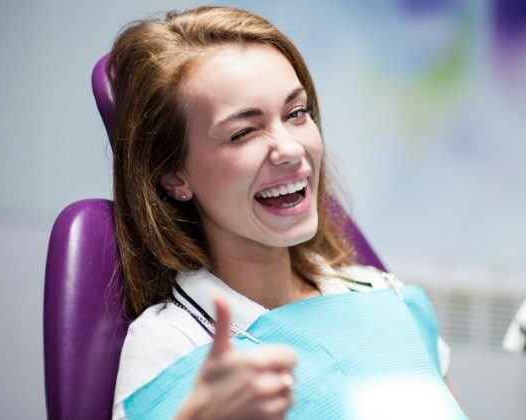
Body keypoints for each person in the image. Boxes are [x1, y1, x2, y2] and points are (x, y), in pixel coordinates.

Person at [108, 6, 464, 420]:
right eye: (242, 132)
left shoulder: (383, 297)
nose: (292, 150)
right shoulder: (172, 344)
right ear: (173, 176)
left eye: (296, 113)